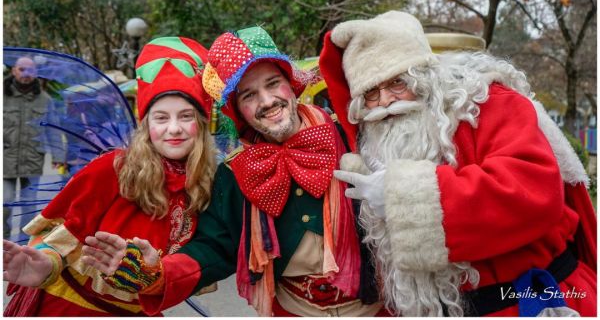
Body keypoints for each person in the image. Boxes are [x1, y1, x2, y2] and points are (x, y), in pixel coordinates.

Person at [82, 26, 385, 316]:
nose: (267, 101)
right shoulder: (234, 173)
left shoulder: (355, 136)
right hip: (290, 311)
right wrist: (159, 272)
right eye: (248, 95)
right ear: (236, 111)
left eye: (272, 83)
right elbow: (213, 248)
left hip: (380, 308)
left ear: (291, 85)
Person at [319, 10, 597, 316]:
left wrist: (407, 198)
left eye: (397, 83)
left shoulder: (490, 102)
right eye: (371, 93)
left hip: (532, 302)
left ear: (422, 76)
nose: (385, 101)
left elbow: (533, 188)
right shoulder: (373, 143)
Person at [3, 36, 216, 316]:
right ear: (146, 124)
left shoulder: (209, 183)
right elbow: (64, 231)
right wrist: (45, 265)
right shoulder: (115, 168)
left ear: (201, 124)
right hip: (71, 306)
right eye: (161, 118)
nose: (173, 128)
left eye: (186, 116)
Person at [3, 56, 62, 240]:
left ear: (36, 72)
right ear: (14, 70)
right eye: (22, 69)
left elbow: (53, 128)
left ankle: (21, 246)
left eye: (30, 70)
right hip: (5, 159)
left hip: (33, 159)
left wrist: (59, 155)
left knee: (30, 206)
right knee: (5, 202)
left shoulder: (44, 99)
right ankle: (3, 242)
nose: (26, 74)